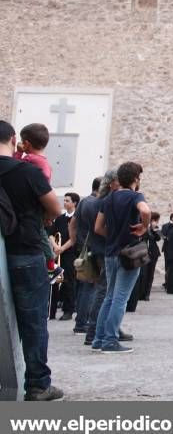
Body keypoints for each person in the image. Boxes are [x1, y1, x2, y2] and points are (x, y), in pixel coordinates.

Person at [0, 120, 63, 400]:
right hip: (24, 251)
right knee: (34, 320)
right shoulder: (26, 171)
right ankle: (38, 384)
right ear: (14, 140)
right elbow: (55, 207)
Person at [92, 162, 150, 353]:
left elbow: (98, 228)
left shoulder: (108, 199)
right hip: (129, 254)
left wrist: (115, 235)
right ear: (135, 179)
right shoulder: (135, 196)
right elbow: (145, 211)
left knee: (109, 297)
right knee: (120, 298)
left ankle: (98, 339)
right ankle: (110, 340)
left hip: (110, 253)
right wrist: (144, 226)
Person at [82, 170, 121, 347]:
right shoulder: (104, 202)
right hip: (104, 249)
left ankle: (102, 328)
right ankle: (94, 332)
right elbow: (100, 228)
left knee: (101, 291)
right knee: (104, 292)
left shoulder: (88, 202)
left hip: (94, 247)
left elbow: (75, 226)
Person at [14, 123, 55, 270]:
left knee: (41, 233)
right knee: (41, 232)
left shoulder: (31, 160)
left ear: (26, 143)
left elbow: (15, 166)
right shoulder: (44, 161)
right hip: (41, 202)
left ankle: (51, 263)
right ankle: (50, 263)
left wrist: (18, 153)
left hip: (35, 204)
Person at [68, 176, 101, 334]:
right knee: (92, 287)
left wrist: (74, 241)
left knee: (83, 286)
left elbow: (72, 224)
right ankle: (83, 323)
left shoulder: (83, 202)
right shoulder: (98, 203)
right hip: (94, 248)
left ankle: (80, 322)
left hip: (82, 247)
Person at [49, 192, 80, 321]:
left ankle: (68, 310)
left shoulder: (77, 218)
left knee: (68, 281)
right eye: (65, 200)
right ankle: (51, 310)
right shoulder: (60, 218)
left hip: (70, 254)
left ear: (74, 203)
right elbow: (51, 233)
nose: (65, 202)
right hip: (57, 253)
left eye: (67, 200)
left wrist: (61, 248)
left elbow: (75, 237)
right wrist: (55, 246)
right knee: (55, 280)